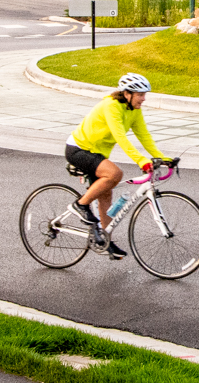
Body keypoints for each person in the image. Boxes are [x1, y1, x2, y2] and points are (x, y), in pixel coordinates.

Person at [65, 73, 171, 259]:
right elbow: (120, 137)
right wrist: (141, 161)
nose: (144, 98)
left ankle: (105, 240)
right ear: (127, 94)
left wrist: (161, 157)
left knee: (106, 192)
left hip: (97, 153)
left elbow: (144, 135)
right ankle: (80, 205)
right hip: (78, 149)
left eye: (144, 94)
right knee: (115, 174)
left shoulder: (133, 110)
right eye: (140, 94)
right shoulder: (111, 106)